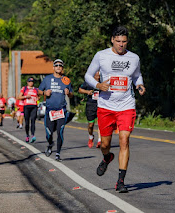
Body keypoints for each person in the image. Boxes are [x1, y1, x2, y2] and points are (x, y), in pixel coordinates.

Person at [84, 26, 146, 193]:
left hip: (126, 105)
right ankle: (107, 157)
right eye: (118, 41)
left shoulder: (134, 58)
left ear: (127, 41)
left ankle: (120, 181)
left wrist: (139, 85)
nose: (121, 45)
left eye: (124, 42)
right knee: (105, 144)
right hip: (106, 106)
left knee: (124, 140)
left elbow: (136, 75)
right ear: (112, 39)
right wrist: (98, 85)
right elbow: (88, 75)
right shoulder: (101, 55)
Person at [38, 59, 74, 162]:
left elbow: (72, 94)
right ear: (53, 67)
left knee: (60, 132)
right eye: (56, 65)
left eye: (60, 65)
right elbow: (39, 91)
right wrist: (45, 93)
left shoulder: (66, 80)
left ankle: (58, 153)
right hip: (50, 110)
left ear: (62, 68)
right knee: (49, 133)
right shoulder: (47, 79)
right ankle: (50, 144)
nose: (58, 67)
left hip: (61, 110)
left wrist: (68, 93)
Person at [79, 71, 101, 148]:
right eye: (96, 75)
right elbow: (80, 90)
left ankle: (99, 140)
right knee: (91, 125)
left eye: (99, 75)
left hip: (101, 105)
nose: (98, 77)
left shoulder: (102, 82)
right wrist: (87, 91)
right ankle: (91, 137)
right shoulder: (88, 82)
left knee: (101, 124)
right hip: (91, 105)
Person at [18, 77, 39, 143]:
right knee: (27, 122)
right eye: (30, 81)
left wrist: (37, 98)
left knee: (33, 121)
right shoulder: (24, 88)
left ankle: (33, 135)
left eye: (32, 82)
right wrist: (25, 96)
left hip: (34, 106)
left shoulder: (36, 89)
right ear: (27, 82)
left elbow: (39, 96)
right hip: (26, 106)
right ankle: (27, 135)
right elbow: (19, 97)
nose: (31, 83)